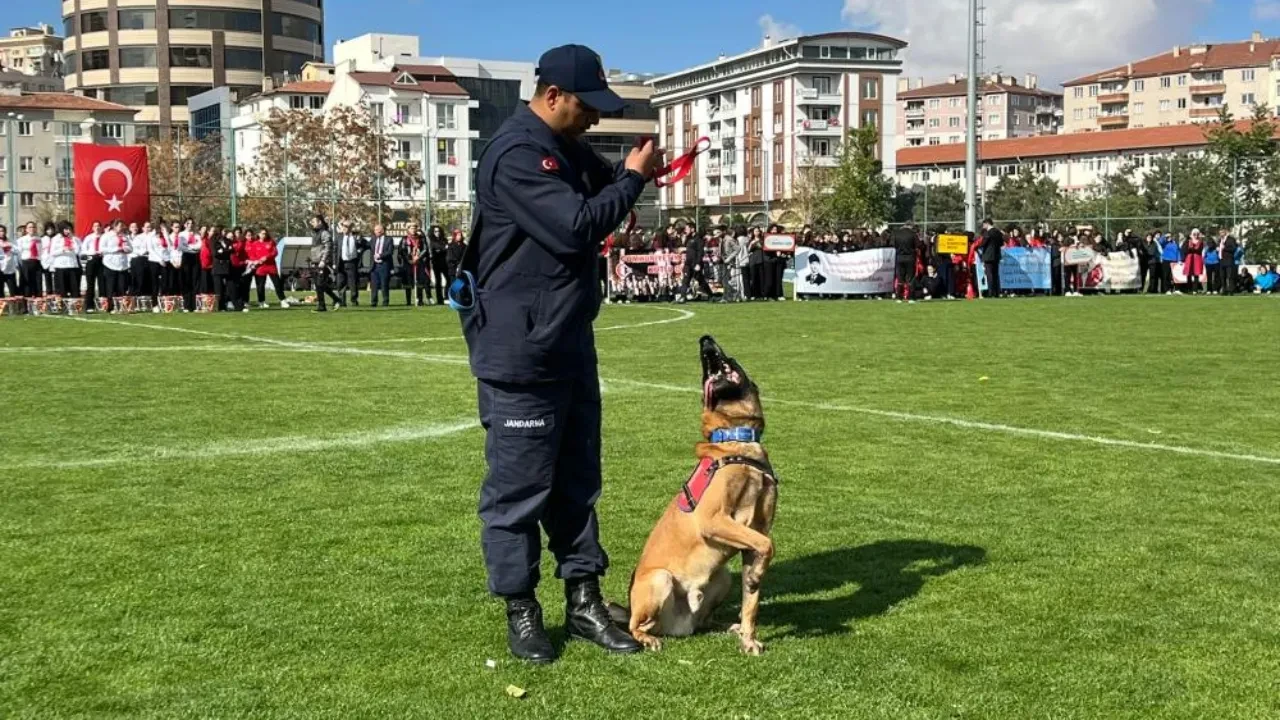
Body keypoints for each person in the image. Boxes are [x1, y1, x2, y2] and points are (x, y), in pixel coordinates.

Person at [457, 44, 659, 663]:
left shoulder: (563, 148)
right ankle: (522, 610)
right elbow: (576, 225)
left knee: (578, 483)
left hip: (567, 340)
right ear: (551, 97)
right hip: (520, 350)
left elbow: (603, 188)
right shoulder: (517, 153)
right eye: (587, 106)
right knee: (519, 490)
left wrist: (648, 170)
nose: (595, 118)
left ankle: (584, 598)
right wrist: (631, 178)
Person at [248, 229, 290, 308]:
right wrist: (257, 260)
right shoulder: (255, 244)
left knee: (277, 284)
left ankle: (283, 301)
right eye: (262, 233)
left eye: (265, 233)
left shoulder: (271, 242)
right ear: (259, 234)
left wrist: (266, 257)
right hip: (260, 268)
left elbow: (275, 252)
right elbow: (251, 255)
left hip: (271, 266)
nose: (264, 235)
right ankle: (261, 302)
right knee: (260, 285)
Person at [310, 214, 342, 312]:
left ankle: (322, 306)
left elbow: (328, 248)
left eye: (313, 221)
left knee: (320, 284)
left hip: (323, 263)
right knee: (319, 284)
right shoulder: (315, 234)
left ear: (320, 222)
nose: (312, 223)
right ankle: (336, 299)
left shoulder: (324, 233)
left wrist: (323, 260)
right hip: (316, 262)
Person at [335, 221, 367, 306]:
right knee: (340, 283)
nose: (345, 228)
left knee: (353, 283)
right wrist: (334, 263)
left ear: (350, 228)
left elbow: (366, 245)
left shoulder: (356, 236)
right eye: (343, 226)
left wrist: (360, 250)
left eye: (347, 226)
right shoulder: (339, 237)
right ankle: (342, 301)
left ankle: (354, 300)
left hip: (352, 262)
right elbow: (335, 250)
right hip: (341, 263)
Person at [102, 220, 131, 310]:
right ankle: (110, 307)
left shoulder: (125, 237)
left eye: (122, 226)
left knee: (122, 286)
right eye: (119, 226)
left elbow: (130, 248)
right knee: (111, 286)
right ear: (114, 227)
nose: (121, 228)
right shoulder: (107, 236)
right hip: (110, 264)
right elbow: (102, 248)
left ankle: (121, 307)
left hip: (122, 265)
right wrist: (116, 249)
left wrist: (125, 249)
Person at [50, 223, 82, 299]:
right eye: (66, 229)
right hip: (61, 266)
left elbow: (78, 251)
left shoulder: (75, 239)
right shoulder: (56, 239)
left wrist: (73, 239)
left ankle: (74, 306)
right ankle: (62, 306)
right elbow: (52, 252)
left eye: (69, 229)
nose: (68, 231)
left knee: (74, 288)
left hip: (72, 265)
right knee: (62, 289)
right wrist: (63, 249)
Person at [402, 223, 430, 307]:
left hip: (419, 262)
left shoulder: (421, 238)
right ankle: (408, 301)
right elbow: (402, 250)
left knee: (420, 281)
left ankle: (420, 300)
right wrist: (409, 259)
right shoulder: (405, 239)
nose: (413, 230)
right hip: (409, 263)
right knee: (408, 282)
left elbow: (425, 249)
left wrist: (418, 257)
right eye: (411, 228)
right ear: (408, 229)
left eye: (414, 228)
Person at [80, 221, 105, 309]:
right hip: (91, 260)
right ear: (92, 228)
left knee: (102, 283)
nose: (97, 228)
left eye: (98, 226)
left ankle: (103, 305)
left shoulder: (104, 237)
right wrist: (92, 253)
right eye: (95, 226)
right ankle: (89, 305)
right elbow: (83, 250)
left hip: (102, 260)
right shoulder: (88, 238)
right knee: (90, 283)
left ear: (101, 228)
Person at [368, 224, 395, 307]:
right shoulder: (373, 239)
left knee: (384, 284)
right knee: (374, 285)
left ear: (382, 230)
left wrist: (380, 255)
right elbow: (367, 246)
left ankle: (385, 301)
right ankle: (373, 302)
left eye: (378, 230)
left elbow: (390, 252)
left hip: (384, 265)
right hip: (374, 266)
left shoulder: (389, 239)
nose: (376, 231)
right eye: (375, 230)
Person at [892, 223, 918, 303]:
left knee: (900, 277)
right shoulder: (913, 234)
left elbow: (893, 244)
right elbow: (918, 245)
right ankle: (911, 298)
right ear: (910, 226)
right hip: (910, 257)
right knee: (910, 278)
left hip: (900, 257)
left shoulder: (896, 234)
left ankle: (899, 297)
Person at [980, 218, 1003, 298]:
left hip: (988, 256)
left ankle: (991, 292)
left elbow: (983, 243)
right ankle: (997, 292)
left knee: (989, 274)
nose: (983, 226)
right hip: (996, 256)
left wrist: (978, 246)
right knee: (996, 274)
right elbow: (1001, 243)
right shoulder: (998, 232)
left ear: (987, 224)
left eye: (983, 224)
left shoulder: (988, 233)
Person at [427, 223, 448, 305]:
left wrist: (442, 249)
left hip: (445, 263)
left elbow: (444, 248)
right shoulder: (432, 241)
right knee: (438, 281)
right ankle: (440, 300)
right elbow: (440, 248)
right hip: (436, 263)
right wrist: (443, 248)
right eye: (435, 231)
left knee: (449, 279)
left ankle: (446, 296)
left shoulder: (444, 240)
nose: (437, 233)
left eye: (438, 231)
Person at [1219, 229, 1239, 296]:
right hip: (1221, 260)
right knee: (1222, 276)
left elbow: (1234, 248)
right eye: (1220, 233)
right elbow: (1220, 248)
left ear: (1225, 233)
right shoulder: (1220, 240)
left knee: (1229, 276)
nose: (1221, 234)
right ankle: (1224, 291)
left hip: (1229, 260)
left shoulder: (1231, 239)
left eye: (1222, 232)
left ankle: (1231, 291)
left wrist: (1225, 248)